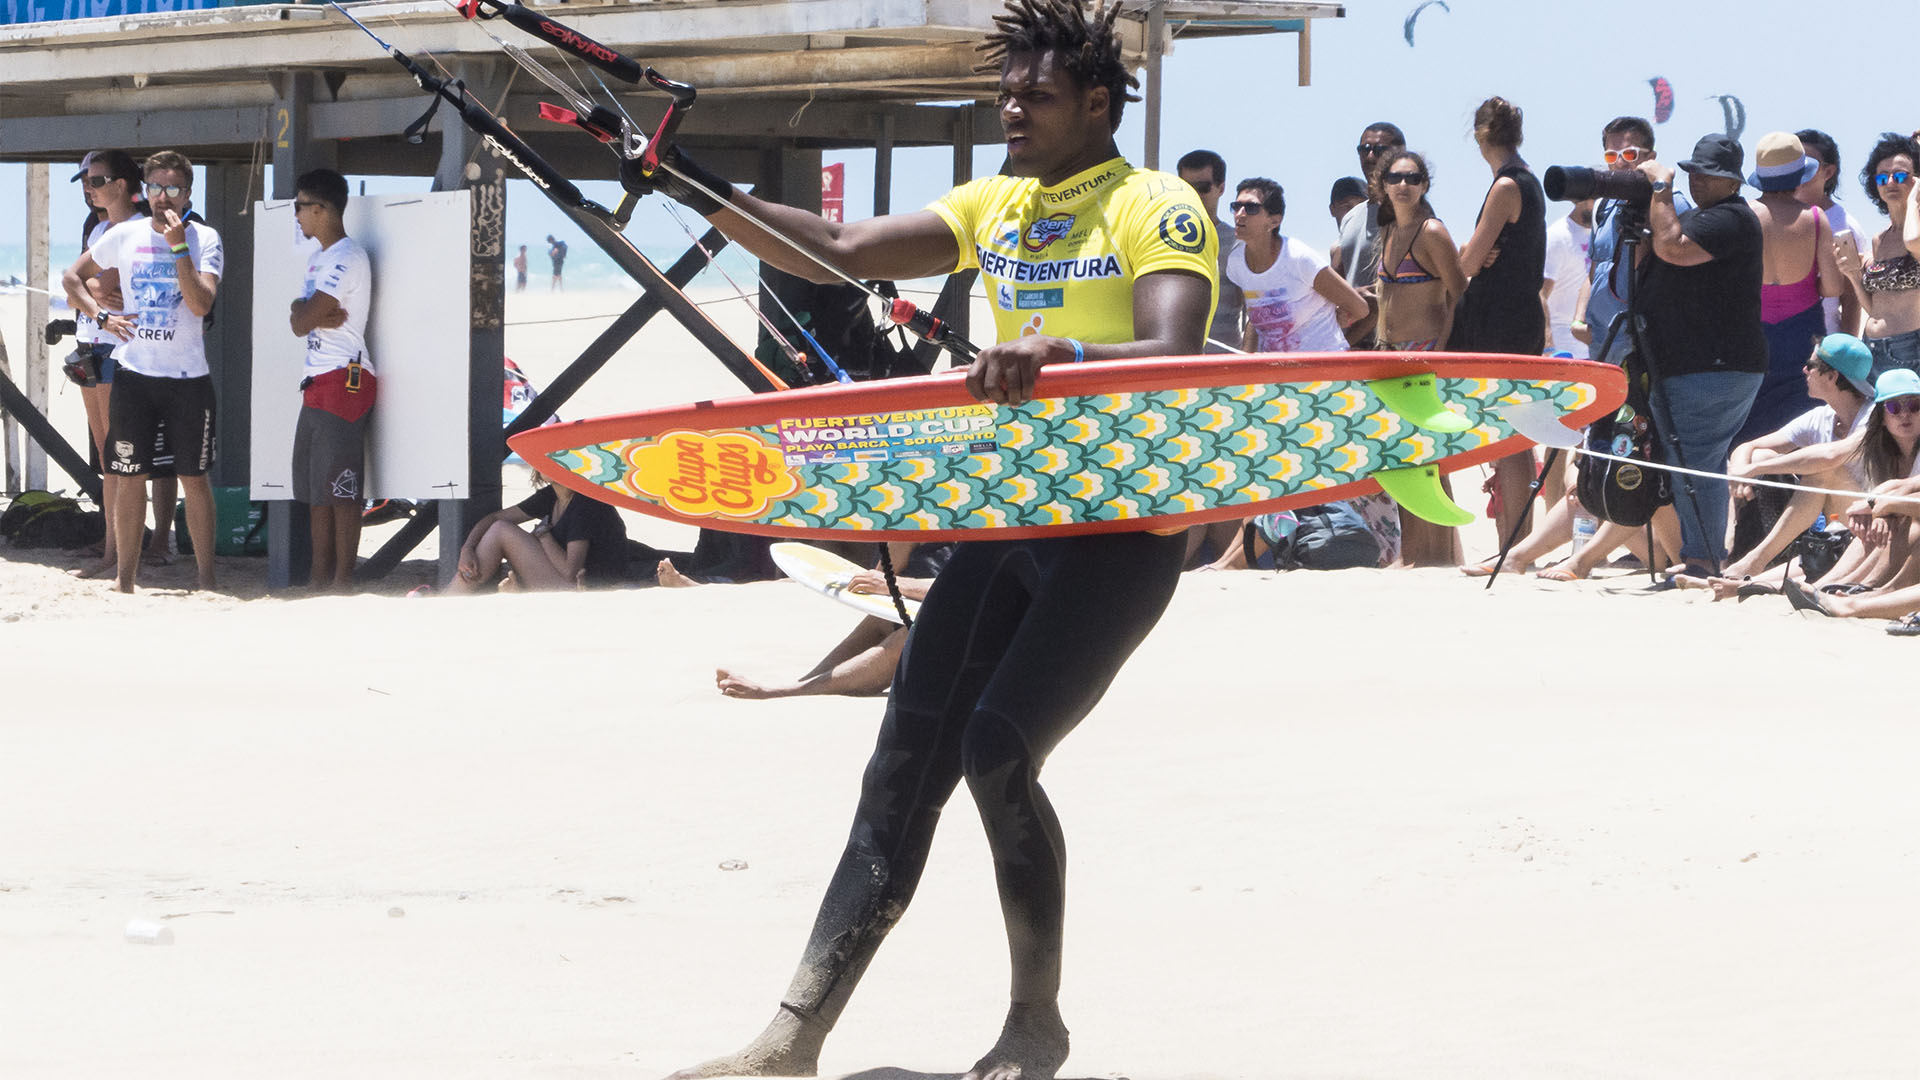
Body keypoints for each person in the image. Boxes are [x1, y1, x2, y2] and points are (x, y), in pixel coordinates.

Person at [622, 1, 1216, 1076]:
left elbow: (1174, 348)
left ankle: (1036, 1022)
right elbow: (841, 250)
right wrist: (690, 182)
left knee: (998, 748)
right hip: (1008, 513)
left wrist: (1054, 360)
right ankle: (792, 1038)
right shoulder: (993, 204)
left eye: (1033, 96)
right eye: (1004, 95)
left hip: (1124, 528)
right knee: (902, 762)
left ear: (1096, 101)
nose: (1011, 112)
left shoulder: (1155, 205)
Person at [61, 150, 224, 593]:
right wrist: (100, 317)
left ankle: (206, 579)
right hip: (135, 375)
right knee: (128, 476)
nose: (163, 198)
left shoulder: (204, 238)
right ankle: (124, 580)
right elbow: (73, 278)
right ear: (144, 191)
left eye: (173, 189)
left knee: (194, 477)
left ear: (188, 193)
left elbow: (200, 303)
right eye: (156, 188)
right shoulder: (124, 234)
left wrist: (178, 249)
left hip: (188, 379)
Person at [1220, 177, 1390, 563]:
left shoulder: (1298, 258)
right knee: (1267, 471)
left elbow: (1361, 308)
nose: (1240, 214)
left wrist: (1334, 350)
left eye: (1251, 208)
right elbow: (1256, 322)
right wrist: (1248, 371)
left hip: (1323, 385)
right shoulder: (1236, 263)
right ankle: (1236, 559)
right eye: (1237, 207)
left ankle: (1234, 561)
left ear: (1274, 219)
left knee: (1283, 472)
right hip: (1277, 385)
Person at [1637, 134, 1767, 577]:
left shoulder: (1730, 218)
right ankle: (1698, 555)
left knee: (1698, 460)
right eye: (1691, 172)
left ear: (1731, 181)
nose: (1695, 181)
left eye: (1706, 174)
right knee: (1685, 460)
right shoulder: (1702, 216)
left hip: (1715, 365)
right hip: (1689, 363)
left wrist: (1659, 189)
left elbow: (1672, 247)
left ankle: (1705, 559)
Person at [1699, 333, 1878, 594]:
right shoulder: (1822, 416)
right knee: (1759, 457)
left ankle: (1754, 561)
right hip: (1833, 521)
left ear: (1832, 376)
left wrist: (1755, 469)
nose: (1804, 370)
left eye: (1812, 366)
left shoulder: (1874, 416)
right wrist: (1741, 474)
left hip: (1868, 523)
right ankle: (1733, 554)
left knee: (1822, 471)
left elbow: (1832, 456)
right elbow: (1747, 447)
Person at [1449, 96, 1546, 552]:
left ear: (1480, 137)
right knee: (1512, 433)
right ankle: (1514, 542)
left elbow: (1466, 262)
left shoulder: (1507, 185)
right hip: (1514, 319)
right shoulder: (1526, 181)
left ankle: (1513, 544)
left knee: (1508, 436)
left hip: (1501, 323)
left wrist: (1473, 252)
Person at [1370, 148, 1467, 567]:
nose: (1403, 185)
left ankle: (1438, 557)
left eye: (1412, 178)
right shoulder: (1390, 231)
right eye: (1395, 178)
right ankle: (1417, 554)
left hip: (1426, 354)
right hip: (1391, 356)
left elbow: (1460, 294)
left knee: (1432, 461)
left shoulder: (1431, 232)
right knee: (1404, 461)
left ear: (1424, 185)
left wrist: (1442, 353)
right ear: (1382, 185)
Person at [63, 150, 152, 581]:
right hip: (90, 343)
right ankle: (111, 547)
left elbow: (94, 282)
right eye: (86, 181)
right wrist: (91, 292)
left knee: (120, 456)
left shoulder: (135, 227)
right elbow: (74, 286)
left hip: (117, 347)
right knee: (105, 456)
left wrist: (91, 290)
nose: (89, 187)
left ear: (121, 185)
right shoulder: (100, 227)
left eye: (96, 180)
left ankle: (118, 553)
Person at [287, 168, 376, 592]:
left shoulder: (346, 256)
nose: (297, 215)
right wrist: (305, 310)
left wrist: (308, 313)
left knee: (341, 488)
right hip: (318, 379)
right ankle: (319, 579)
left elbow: (303, 321)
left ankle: (343, 580)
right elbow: (299, 313)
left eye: (300, 206)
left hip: (344, 377)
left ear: (321, 210)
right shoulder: (319, 257)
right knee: (315, 490)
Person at [715, 543, 946, 699]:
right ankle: (808, 681)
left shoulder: (977, 527)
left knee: (915, 633)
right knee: (880, 620)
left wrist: (897, 584)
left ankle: (791, 691)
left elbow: (967, 590)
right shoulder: (940, 515)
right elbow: (876, 586)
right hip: (942, 618)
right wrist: (902, 540)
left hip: (971, 636)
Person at [1785, 368, 1920, 622]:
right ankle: (1844, 584)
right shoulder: (1883, 451)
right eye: (1894, 408)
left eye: (1914, 405)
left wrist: (1880, 507)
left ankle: (1867, 592)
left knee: (1912, 521)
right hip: (1887, 521)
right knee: (1893, 521)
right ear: (1881, 416)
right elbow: (1898, 487)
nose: (1905, 414)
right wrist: (1877, 506)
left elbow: (1830, 456)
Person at [1741, 132, 1844, 448]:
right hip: (1802, 334)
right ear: (1801, 175)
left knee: (1749, 428)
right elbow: (1833, 286)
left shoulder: (1744, 215)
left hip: (1751, 334)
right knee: (1800, 429)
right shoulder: (1815, 219)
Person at [443, 477, 628, 594]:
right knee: (499, 527)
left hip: (587, 590)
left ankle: (449, 598)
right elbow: (495, 517)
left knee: (501, 530)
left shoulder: (585, 502)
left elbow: (571, 572)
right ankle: (452, 594)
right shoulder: (553, 495)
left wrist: (543, 535)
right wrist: (467, 548)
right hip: (565, 582)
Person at [1833, 133, 1920, 379]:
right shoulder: (1879, 239)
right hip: (1872, 347)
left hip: (1910, 347)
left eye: (1901, 176)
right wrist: (1852, 275)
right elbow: (1876, 308)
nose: (1890, 182)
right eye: (1882, 177)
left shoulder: (1916, 232)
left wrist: (1915, 200)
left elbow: (1913, 241)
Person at [1331, 121, 1407, 346]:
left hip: (1396, 344)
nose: (1370, 156)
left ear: (1401, 154)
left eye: (1380, 149)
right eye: (1364, 149)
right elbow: (1337, 282)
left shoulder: (1410, 212)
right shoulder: (1351, 217)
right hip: (1354, 346)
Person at [1794, 128, 1873, 336]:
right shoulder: (1772, 216)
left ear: (1828, 172)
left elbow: (1851, 300)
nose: (1796, 171)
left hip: (1824, 346)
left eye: (1805, 165)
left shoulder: (1844, 225)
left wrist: (1843, 359)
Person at [1176, 148, 1243, 352]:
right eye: (1186, 187)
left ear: (1221, 188)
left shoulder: (1238, 242)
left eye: (1203, 187)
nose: (1194, 195)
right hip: (1176, 361)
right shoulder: (1161, 238)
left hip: (1224, 364)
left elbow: (1256, 311)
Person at [1541, 198, 1593, 359]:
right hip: (1562, 352)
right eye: (1596, 197)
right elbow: (1539, 293)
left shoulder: (1603, 234)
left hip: (1594, 350)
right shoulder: (1557, 235)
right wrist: (1548, 346)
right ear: (1579, 198)